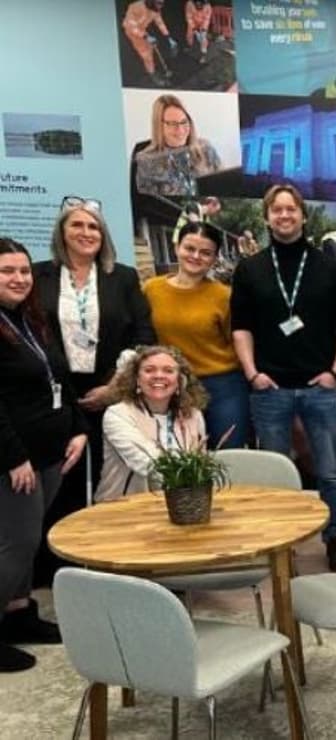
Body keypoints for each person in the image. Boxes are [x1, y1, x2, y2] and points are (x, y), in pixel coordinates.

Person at [230, 185, 336, 572]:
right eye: (277, 210)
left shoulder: (329, 268)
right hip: (271, 390)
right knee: (276, 476)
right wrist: (253, 375)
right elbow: (241, 329)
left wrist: (335, 372)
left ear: (303, 216)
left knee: (330, 473)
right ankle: (282, 547)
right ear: (267, 217)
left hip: (319, 389)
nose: (284, 216)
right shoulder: (250, 269)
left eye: (291, 209)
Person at [32, 197, 155, 587]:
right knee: (61, 475)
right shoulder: (39, 276)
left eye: (94, 227)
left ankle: (111, 559)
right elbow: (30, 332)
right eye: (77, 226)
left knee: (110, 475)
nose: (86, 233)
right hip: (56, 391)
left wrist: (114, 386)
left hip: (110, 388)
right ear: (62, 232)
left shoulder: (123, 277)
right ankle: (55, 567)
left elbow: (143, 335)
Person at [0, 237, 86, 672]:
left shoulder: (29, 320)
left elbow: (60, 377)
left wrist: (78, 428)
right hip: (14, 460)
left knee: (30, 539)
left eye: (23, 271)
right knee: (16, 543)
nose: (18, 278)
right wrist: (13, 457)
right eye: (6, 271)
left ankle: (19, 614)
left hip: (50, 450)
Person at [142, 222, 248, 449]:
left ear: (214, 258)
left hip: (222, 386)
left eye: (205, 252)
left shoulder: (224, 296)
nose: (196, 256)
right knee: (180, 456)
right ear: (177, 247)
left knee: (227, 455)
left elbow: (239, 341)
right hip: (171, 384)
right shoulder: (151, 289)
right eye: (189, 248)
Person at [95, 346, 208, 501]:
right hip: (123, 508)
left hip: (182, 505)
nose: (159, 376)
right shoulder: (117, 414)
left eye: (168, 370)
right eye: (149, 370)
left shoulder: (193, 415)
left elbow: (200, 468)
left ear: (180, 381)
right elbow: (145, 462)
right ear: (136, 379)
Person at [134, 95, 222, 198]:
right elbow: (149, 205)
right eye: (172, 124)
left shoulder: (205, 148)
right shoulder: (147, 160)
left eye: (184, 122)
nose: (180, 130)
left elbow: (224, 184)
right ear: (159, 126)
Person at [122, 0, 175, 86]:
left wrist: (168, 37)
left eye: (162, 4)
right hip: (132, 31)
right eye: (159, 4)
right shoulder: (135, 7)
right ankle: (152, 74)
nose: (160, 7)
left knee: (151, 47)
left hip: (143, 29)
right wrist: (145, 37)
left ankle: (152, 66)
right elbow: (130, 26)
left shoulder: (155, 8)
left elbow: (159, 22)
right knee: (146, 55)